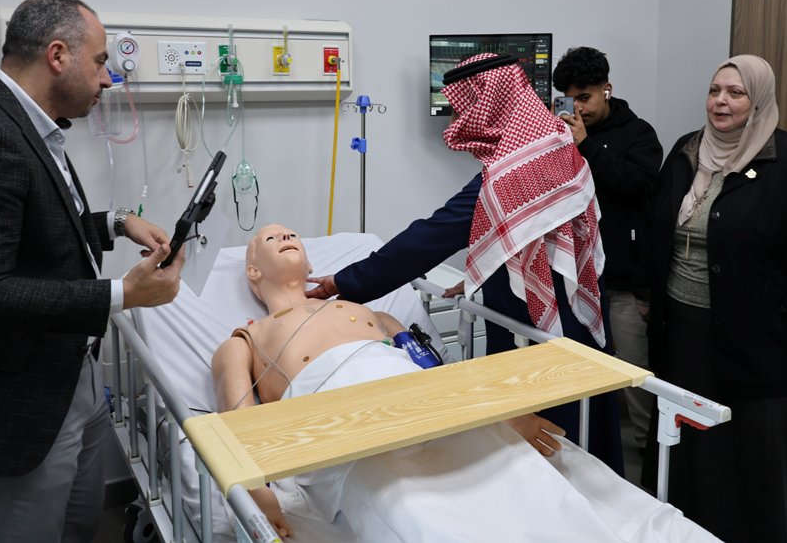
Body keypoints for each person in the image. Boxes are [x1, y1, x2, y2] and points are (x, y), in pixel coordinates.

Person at [212, 224, 715, 543]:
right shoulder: (246, 339)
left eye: (292, 234)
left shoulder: (366, 312)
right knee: (414, 508)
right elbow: (241, 425)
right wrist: (259, 497)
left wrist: (499, 415)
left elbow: (434, 371)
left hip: (429, 408)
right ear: (252, 270)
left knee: (521, 476)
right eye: (271, 238)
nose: (287, 235)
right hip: (342, 432)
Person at [0, 0, 186, 542]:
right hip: (17, 401)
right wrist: (122, 295)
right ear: (58, 55)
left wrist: (118, 222)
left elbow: (37, 232)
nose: (108, 78)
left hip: (70, 374)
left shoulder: (29, 125)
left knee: (78, 528)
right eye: (101, 61)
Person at [306, 53, 625, 475]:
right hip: (575, 313)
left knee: (555, 450)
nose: (459, 120)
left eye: (465, 108)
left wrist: (343, 283)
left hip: (544, 334)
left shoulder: (513, 173)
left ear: (490, 106)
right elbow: (535, 239)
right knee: (589, 440)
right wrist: (485, 273)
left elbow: (431, 237)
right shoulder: (555, 143)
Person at [643, 55, 787, 543]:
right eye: (715, 91)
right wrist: (648, 295)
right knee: (692, 448)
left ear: (758, 100)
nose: (721, 102)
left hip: (761, 341)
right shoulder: (686, 152)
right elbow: (656, 229)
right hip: (685, 335)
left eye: (736, 93)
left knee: (751, 458)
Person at [553, 46, 662, 452]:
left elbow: (636, 182)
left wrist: (586, 145)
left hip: (622, 279)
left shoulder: (639, 134)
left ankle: (650, 453)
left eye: (585, 97)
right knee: (580, 365)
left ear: (607, 90)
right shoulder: (560, 134)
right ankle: (588, 446)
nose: (578, 108)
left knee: (635, 370)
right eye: (570, 99)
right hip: (574, 275)